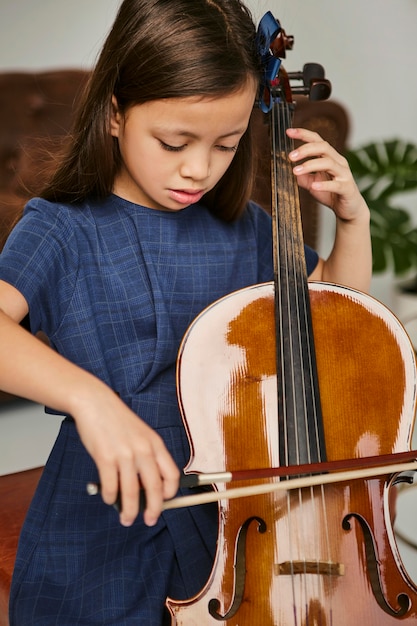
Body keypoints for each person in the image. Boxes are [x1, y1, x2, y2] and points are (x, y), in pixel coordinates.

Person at [0, 0, 371, 624]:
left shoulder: (246, 229)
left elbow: (330, 317)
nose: (198, 169)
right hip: (105, 522)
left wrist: (352, 221)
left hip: (228, 518)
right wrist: (92, 401)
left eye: (225, 145)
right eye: (174, 142)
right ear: (115, 113)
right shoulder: (60, 227)